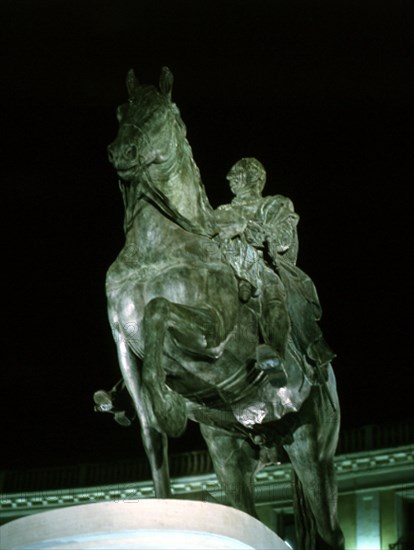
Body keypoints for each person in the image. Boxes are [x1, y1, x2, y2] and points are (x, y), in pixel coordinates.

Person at [216, 158, 334, 382]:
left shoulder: (275, 204)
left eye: (237, 173)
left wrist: (245, 228)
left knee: (272, 291)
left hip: (263, 265)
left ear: (255, 178)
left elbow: (281, 240)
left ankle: (275, 355)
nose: (229, 178)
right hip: (224, 267)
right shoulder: (222, 211)